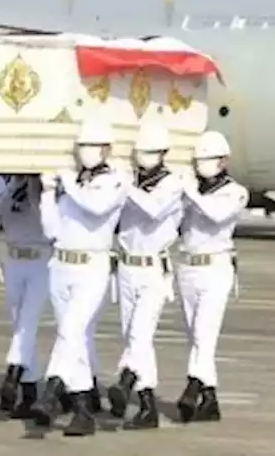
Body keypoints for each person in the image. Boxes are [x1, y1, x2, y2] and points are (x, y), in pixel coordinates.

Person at [29, 118, 126, 437]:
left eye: (92, 146)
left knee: (70, 332)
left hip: (92, 267)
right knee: (76, 341)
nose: (85, 152)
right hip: (60, 266)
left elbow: (97, 208)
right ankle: (84, 410)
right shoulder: (74, 185)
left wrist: (68, 183)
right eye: (81, 146)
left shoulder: (115, 180)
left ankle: (52, 391)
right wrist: (46, 194)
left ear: (107, 150)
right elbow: (51, 230)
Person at [107, 120, 184, 429]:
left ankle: (125, 379)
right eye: (141, 152)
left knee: (140, 333)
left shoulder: (173, 183)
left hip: (154, 269)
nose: (145, 157)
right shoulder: (129, 182)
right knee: (136, 338)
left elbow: (154, 209)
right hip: (126, 266)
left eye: (151, 152)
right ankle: (147, 405)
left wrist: (126, 187)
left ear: (163, 153)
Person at [174, 130, 247, 423]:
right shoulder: (193, 191)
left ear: (224, 161)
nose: (202, 165)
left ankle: (193, 386)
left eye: (209, 159)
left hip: (215, 268)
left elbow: (217, 215)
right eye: (198, 160)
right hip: (187, 267)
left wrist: (188, 191)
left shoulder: (235, 192)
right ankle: (210, 398)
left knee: (205, 333)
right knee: (197, 336)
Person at [0, 173, 51, 418]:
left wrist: (39, 189)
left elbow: (50, 223)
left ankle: (13, 374)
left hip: (40, 259)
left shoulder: (47, 189)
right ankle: (29, 394)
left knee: (27, 323)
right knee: (20, 327)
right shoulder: (6, 187)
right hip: (14, 259)